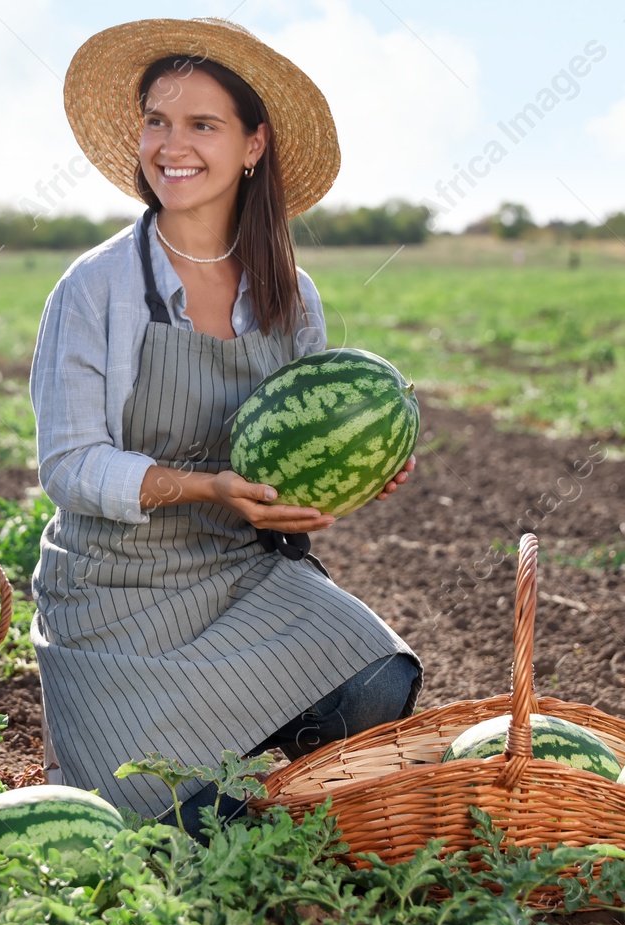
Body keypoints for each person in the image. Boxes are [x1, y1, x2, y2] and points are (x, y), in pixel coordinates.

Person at [28, 17, 422, 839]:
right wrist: (203, 485)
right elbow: (69, 465)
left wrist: (357, 474)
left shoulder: (291, 293)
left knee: (380, 682)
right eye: (157, 122)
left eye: (202, 124)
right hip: (112, 597)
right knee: (188, 824)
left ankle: (257, 749)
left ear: (252, 146)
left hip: (240, 574)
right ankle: (149, 757)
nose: (172, 145)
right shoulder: (94, 288)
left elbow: (301, 453)